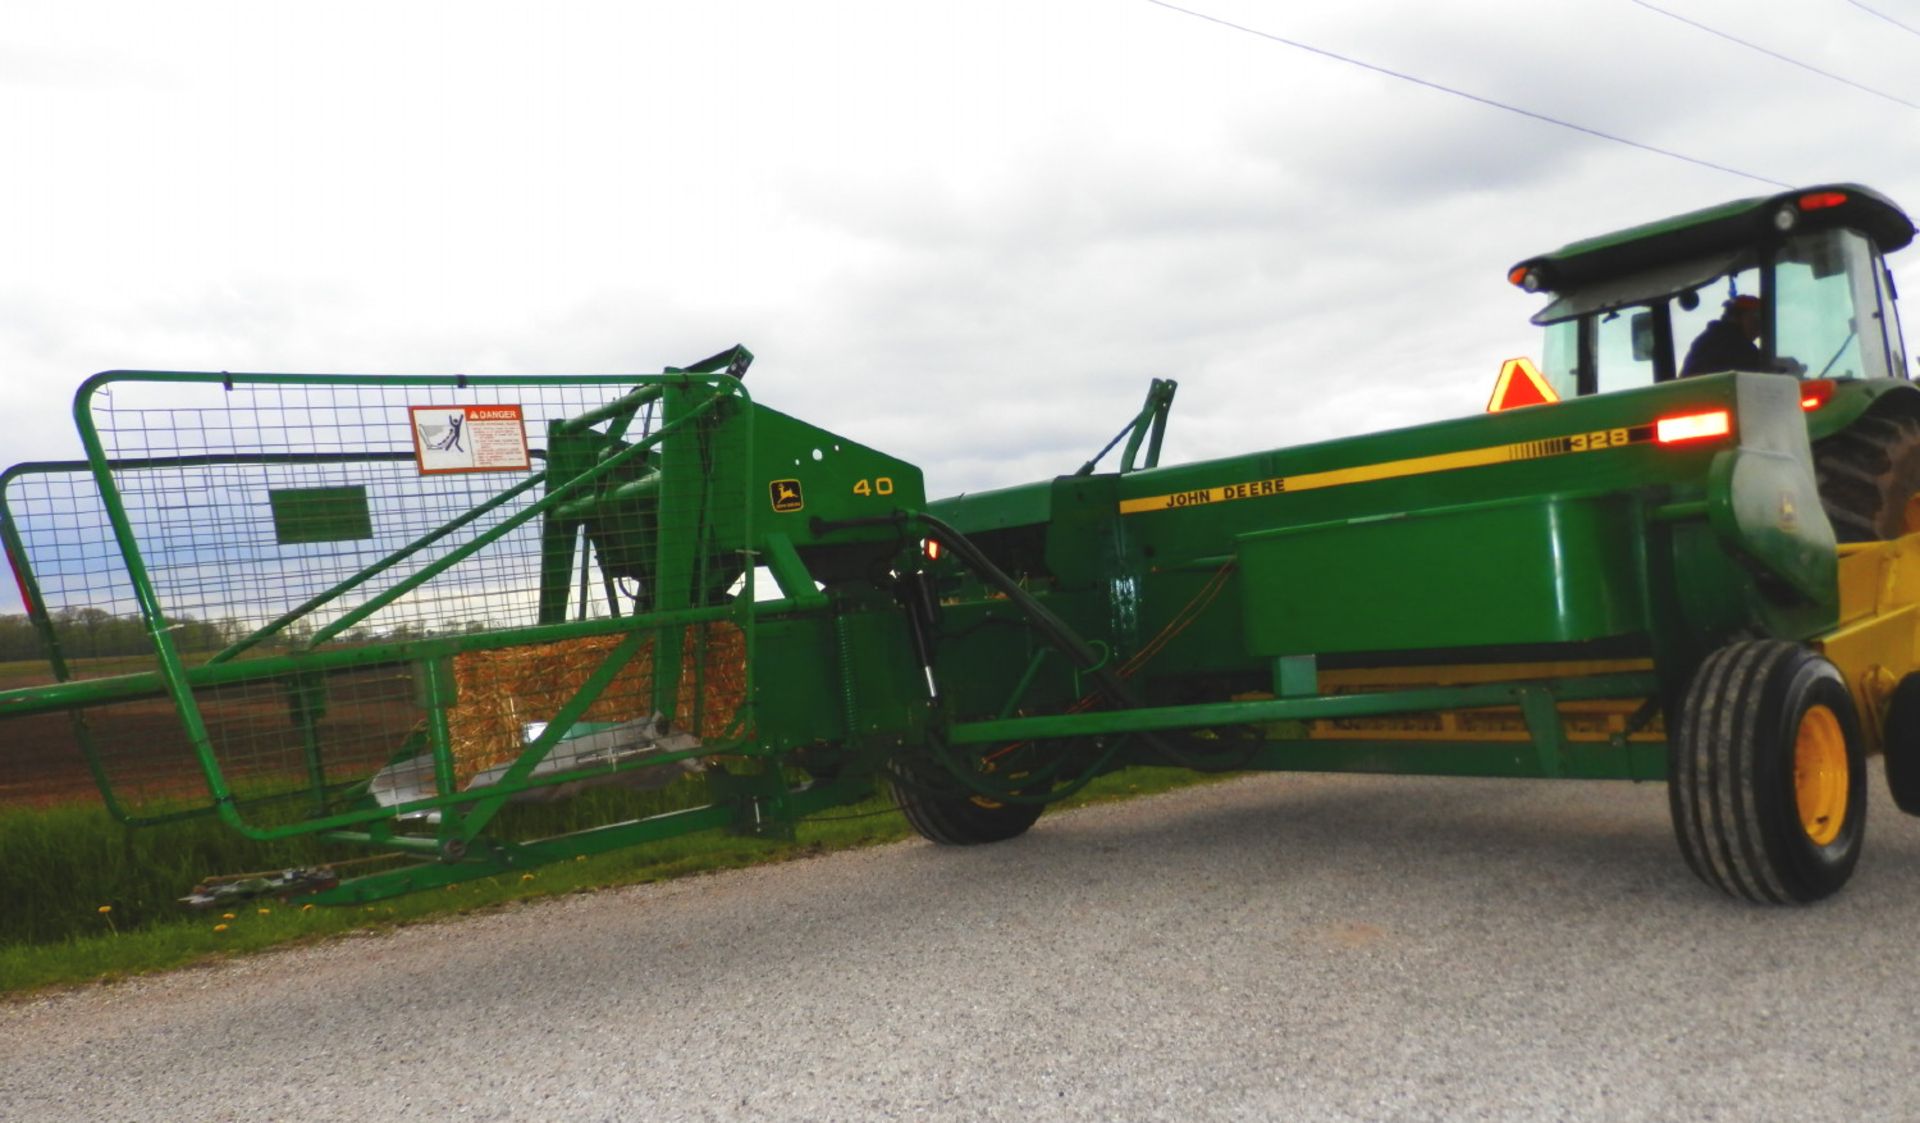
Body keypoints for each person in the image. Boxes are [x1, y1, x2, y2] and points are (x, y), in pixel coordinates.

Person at [1681, 294, 1766, 376]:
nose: (1759, 324)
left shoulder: (1706, 339)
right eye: (1755, 317)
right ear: (1734, 317)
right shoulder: (1738, 347)